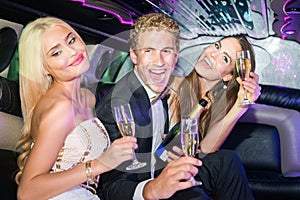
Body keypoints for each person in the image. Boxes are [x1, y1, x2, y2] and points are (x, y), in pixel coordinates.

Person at [95, 13, 255, 200]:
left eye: (166, 51)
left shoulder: (163, 89)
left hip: (166, 165)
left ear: (176, 57)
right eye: (149, 50)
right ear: (133, 55)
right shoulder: (165, 88)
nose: (159, 61)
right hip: (147, 182)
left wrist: (241, 106)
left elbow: (204, 151)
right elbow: (112, 184)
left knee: (227, 160)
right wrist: (153, 188)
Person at [15, 17, 137, 200]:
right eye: (56, 53)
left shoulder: (87, 98)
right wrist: (99, 165)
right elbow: (27, 192)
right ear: (44, 68)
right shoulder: (61, 108)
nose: (72, 52)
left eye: (71, 40)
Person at [168, 35, 261, 154]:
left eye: (225, 58)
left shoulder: (216, 106)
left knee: (226, 159)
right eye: (217, 46)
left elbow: (206, 148)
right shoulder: (168, 86)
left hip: (183, 168)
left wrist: (240, 105)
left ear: (228, 76)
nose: (213, 54)